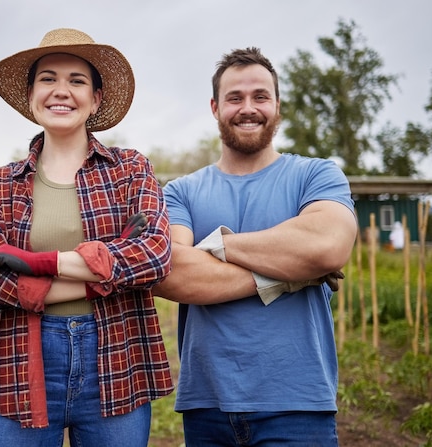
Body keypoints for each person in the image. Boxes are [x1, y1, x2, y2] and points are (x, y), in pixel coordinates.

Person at [0, 28, 173, 447]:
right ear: (30, 95)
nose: (62, 91)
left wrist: (36, 262)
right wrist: (106, 273)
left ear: (95, 98)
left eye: (77, 80)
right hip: (20, 362)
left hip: (115, 360)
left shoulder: (130, 170)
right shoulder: (3, 183)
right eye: (48, 78)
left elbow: (153, 255)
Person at [153, 47, 357, 446]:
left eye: (260, 96)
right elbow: (172, 272)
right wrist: (290, 276)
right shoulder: (180, 192)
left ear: (277, 104)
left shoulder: (316, 175)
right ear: (215, 107)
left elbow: (326, 248)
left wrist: (212, 246)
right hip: (207, 405)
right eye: (235, 98)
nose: (248, 108)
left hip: (297, 404)